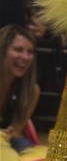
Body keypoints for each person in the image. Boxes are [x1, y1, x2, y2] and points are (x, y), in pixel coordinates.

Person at [0, 24, 39, 152]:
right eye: (18, 50)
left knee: (25, 147)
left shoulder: (32, 91)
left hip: (6, 142)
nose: (25, 57)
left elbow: (16, 131)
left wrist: (11, 133)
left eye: (30, 52)